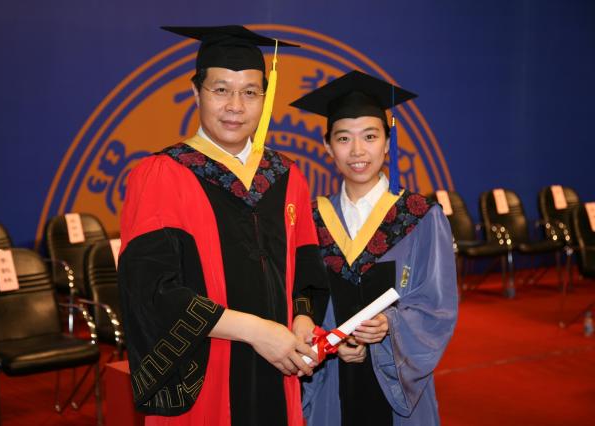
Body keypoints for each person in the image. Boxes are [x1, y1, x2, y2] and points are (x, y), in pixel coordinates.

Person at [117, 25, 328, 426]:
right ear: (196, 92)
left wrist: (302, 320)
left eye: (250, 92)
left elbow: (305, 272)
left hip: (279, 364)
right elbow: (150, 291)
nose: (235, 106)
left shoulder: (286, 177)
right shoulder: (162, 175)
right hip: (206, 370)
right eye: (221, 90)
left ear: (265, 98)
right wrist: (257, 331)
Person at [290, 70, 458, 425]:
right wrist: (331, 341)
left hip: (396, 394)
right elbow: (299, 296)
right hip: (332, 382)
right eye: (343, 138)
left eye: (370, 136)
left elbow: (437, 308)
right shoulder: (311, 219)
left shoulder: (420, 216)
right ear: (327, 146)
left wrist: (389, 327)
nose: (357, 151)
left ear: (387, 142)